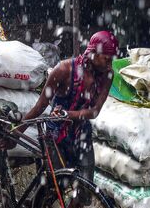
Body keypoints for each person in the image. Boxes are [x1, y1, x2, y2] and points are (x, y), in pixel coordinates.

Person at [17, 31, 119, 183]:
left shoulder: (107, 75)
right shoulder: (63, 70)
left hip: (81, 132)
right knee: (59, 184)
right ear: (93, 53)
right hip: (56, 133)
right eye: (107, 59)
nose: (110, 64)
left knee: (85, 187)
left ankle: (72, 205)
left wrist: (67, 114)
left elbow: (94, 111)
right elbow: (40, 106)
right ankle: (37, 204)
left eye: (112, 60)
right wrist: (17, 132)